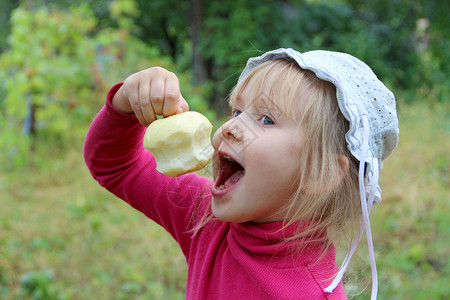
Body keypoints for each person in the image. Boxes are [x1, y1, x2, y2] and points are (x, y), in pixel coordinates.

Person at [84, 48, 399, 299]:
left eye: (265, 119)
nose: (231, 127)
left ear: (323, 173)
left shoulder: (310, 294)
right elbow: (115, 165)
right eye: (236, 111)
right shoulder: (205, 218)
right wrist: (126, 101)